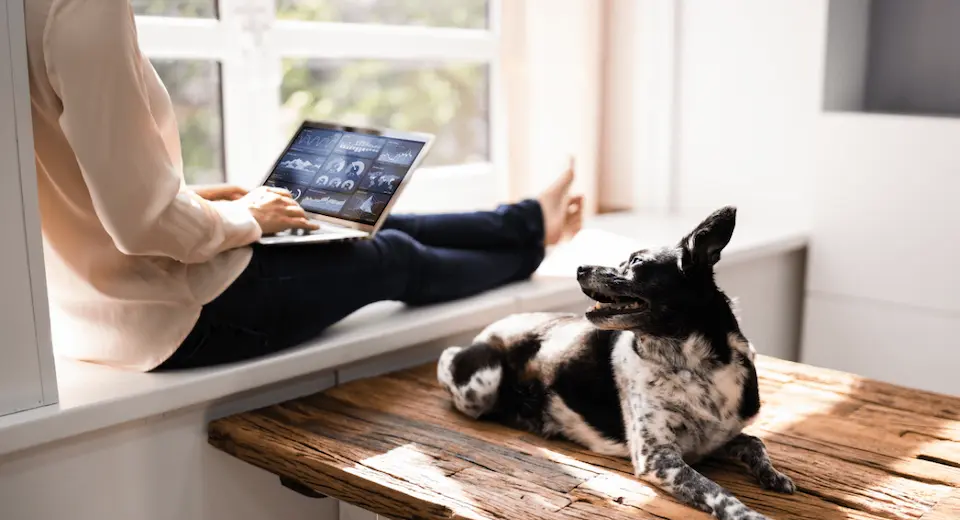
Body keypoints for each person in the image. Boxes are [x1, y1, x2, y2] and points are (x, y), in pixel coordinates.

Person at [25, 0, 583, 371]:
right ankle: (530, 247)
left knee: (336, 221)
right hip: (170, 315)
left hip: (91, 318)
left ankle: (529, 219)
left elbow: (80, 175)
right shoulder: (84, 9)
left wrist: (199, 202)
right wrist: (245, 219)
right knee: (388, 254)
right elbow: (143, 224)